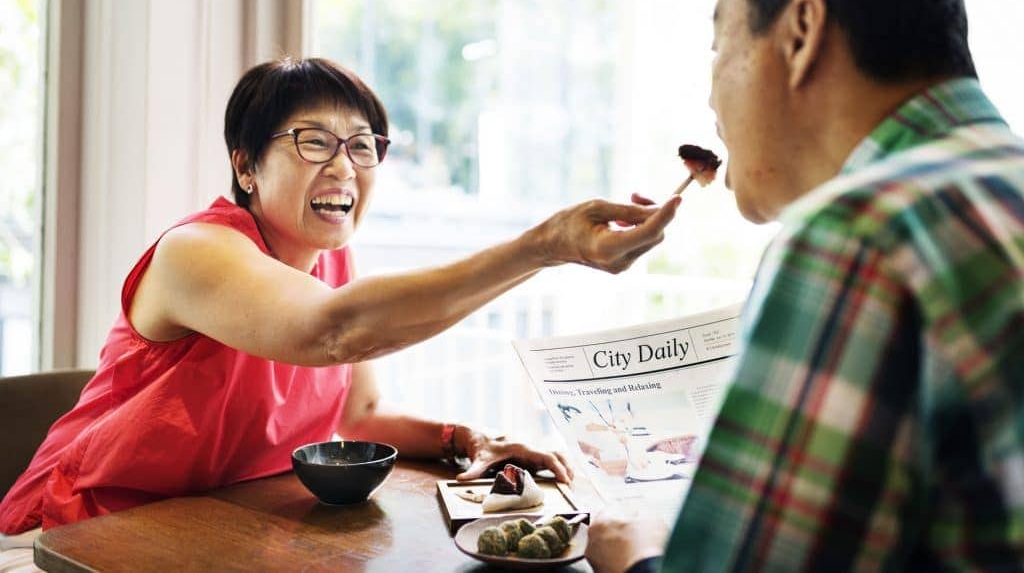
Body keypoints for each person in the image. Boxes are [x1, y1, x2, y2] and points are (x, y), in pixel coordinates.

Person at [0, 57, 680, 535]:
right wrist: (546, 245)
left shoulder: (333, 260)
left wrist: (467, 437)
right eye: (314, 141)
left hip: (214, 530)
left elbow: (362, 414)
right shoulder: (195, 251)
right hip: (83, 535)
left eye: (362, 145)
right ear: (246, 165)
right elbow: (334, 332)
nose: (344, 165)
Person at [586, 0, 1024, 570]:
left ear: (800, 33)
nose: (709, 97)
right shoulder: (998, 186)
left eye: (719, 42)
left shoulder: (860, 233)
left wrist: (637, 559)